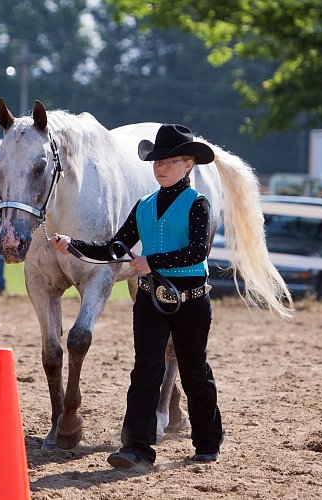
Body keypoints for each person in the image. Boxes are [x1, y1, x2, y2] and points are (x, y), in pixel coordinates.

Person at [51, 124, 223, 469]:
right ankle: (136, 447)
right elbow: (116, 247)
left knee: (193, 370)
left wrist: (151, 261)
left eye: (170, 162)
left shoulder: (197, 204)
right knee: (144, 369)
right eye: (158, 161)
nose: (160, 167)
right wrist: (75, 245)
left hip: (190, 299)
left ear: (189, 165)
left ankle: (207, 442)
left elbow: (197, 250)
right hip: (150, 299)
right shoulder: (143, 205)